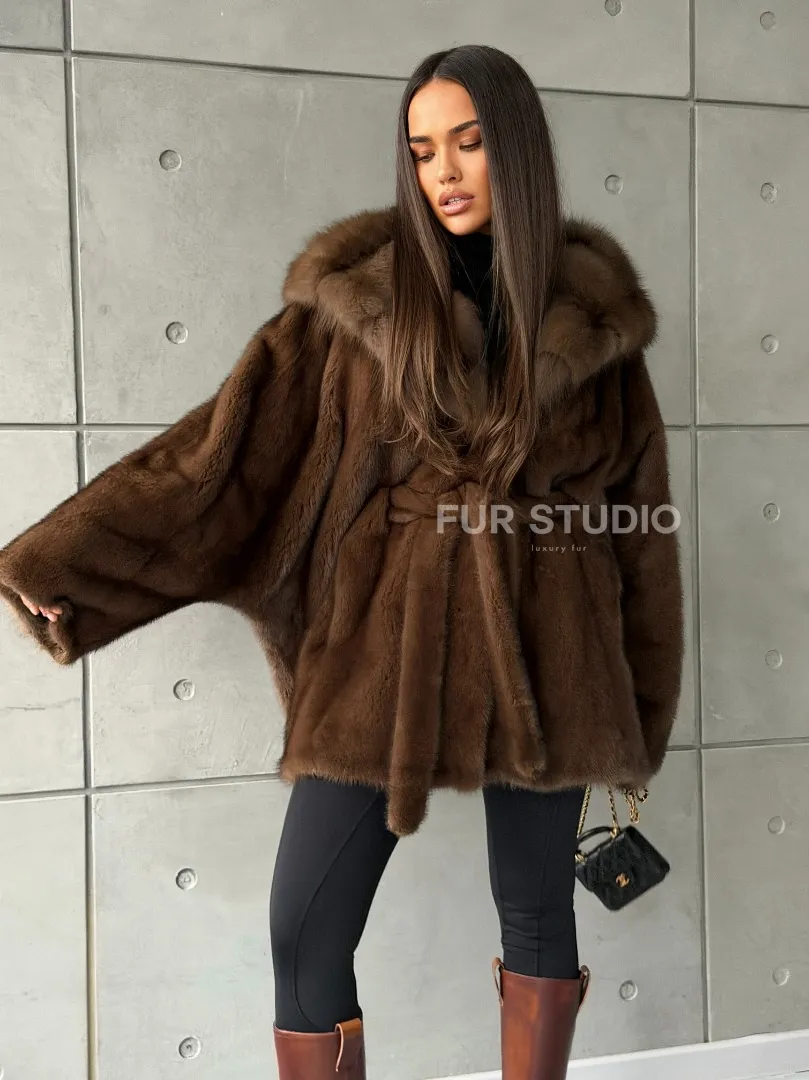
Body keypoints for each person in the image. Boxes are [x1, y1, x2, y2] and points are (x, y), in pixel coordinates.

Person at [0, 43, 684, 1080]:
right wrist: (64, 562)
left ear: (516, 153)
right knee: (304, 928)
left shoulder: (595, 328)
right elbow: (219, 457)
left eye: (467, 143)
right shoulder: (355, 306)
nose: (442, 171)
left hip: (555, 645)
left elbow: (641, 533)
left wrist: (638, 715)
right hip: (384, 646)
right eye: (422, 150)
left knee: (539, 912)